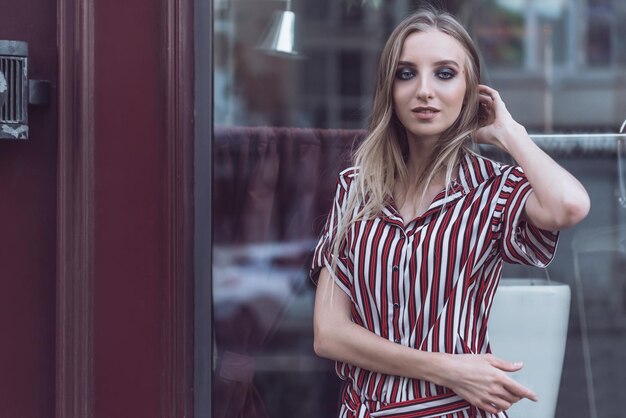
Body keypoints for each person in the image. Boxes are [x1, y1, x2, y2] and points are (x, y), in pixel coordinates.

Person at [310, 7, 590, 418]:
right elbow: (328, 334)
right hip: (364, 410)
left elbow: (569, 205)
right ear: (389, 88)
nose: (424, 90)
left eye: (444, 73)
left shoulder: (492, 190)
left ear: (471, 89)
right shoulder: (356, 188)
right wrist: (450, 368)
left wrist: (510, 134)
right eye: (406, 73)